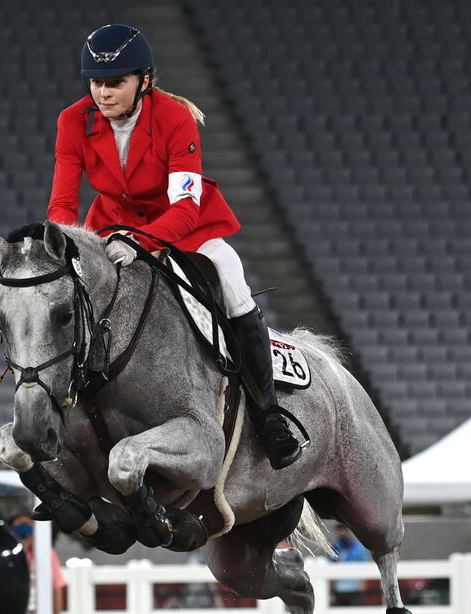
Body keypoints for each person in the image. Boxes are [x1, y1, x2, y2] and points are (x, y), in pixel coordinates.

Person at [47, 23, 303, 470]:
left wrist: (141, 241)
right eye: (95, 82)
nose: (102, 93)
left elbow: (185, 207)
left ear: (144, 81)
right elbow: (64, 203)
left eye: (114, 83)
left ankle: (269, 416)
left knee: (232, 277)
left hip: (182, 223)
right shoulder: (73, 120)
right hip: (110, 225)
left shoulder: (174, 118)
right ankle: (62, 432)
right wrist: (65, 247)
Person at [10, 513, 67, 614]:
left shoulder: (47, 554)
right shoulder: (6, 555)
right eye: (19, 527)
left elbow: (56, 590)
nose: (24, 533)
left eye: (27, 527)